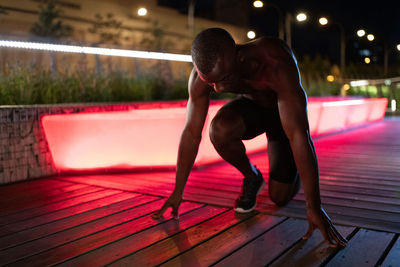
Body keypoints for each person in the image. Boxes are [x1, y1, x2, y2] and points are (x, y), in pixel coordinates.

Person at [152, 28, 347, 247]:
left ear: (239, 57)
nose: (218, 87)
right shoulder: (202, 76)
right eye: (211, 82)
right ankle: (252, 177)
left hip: (284, 118)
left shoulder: (275, 62)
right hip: (253, 109)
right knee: (220, 130)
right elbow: (191, 133)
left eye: (223, 78)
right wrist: (178, 192)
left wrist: (314, 206)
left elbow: (299, 135)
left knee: (279, 198)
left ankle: (292, 173)